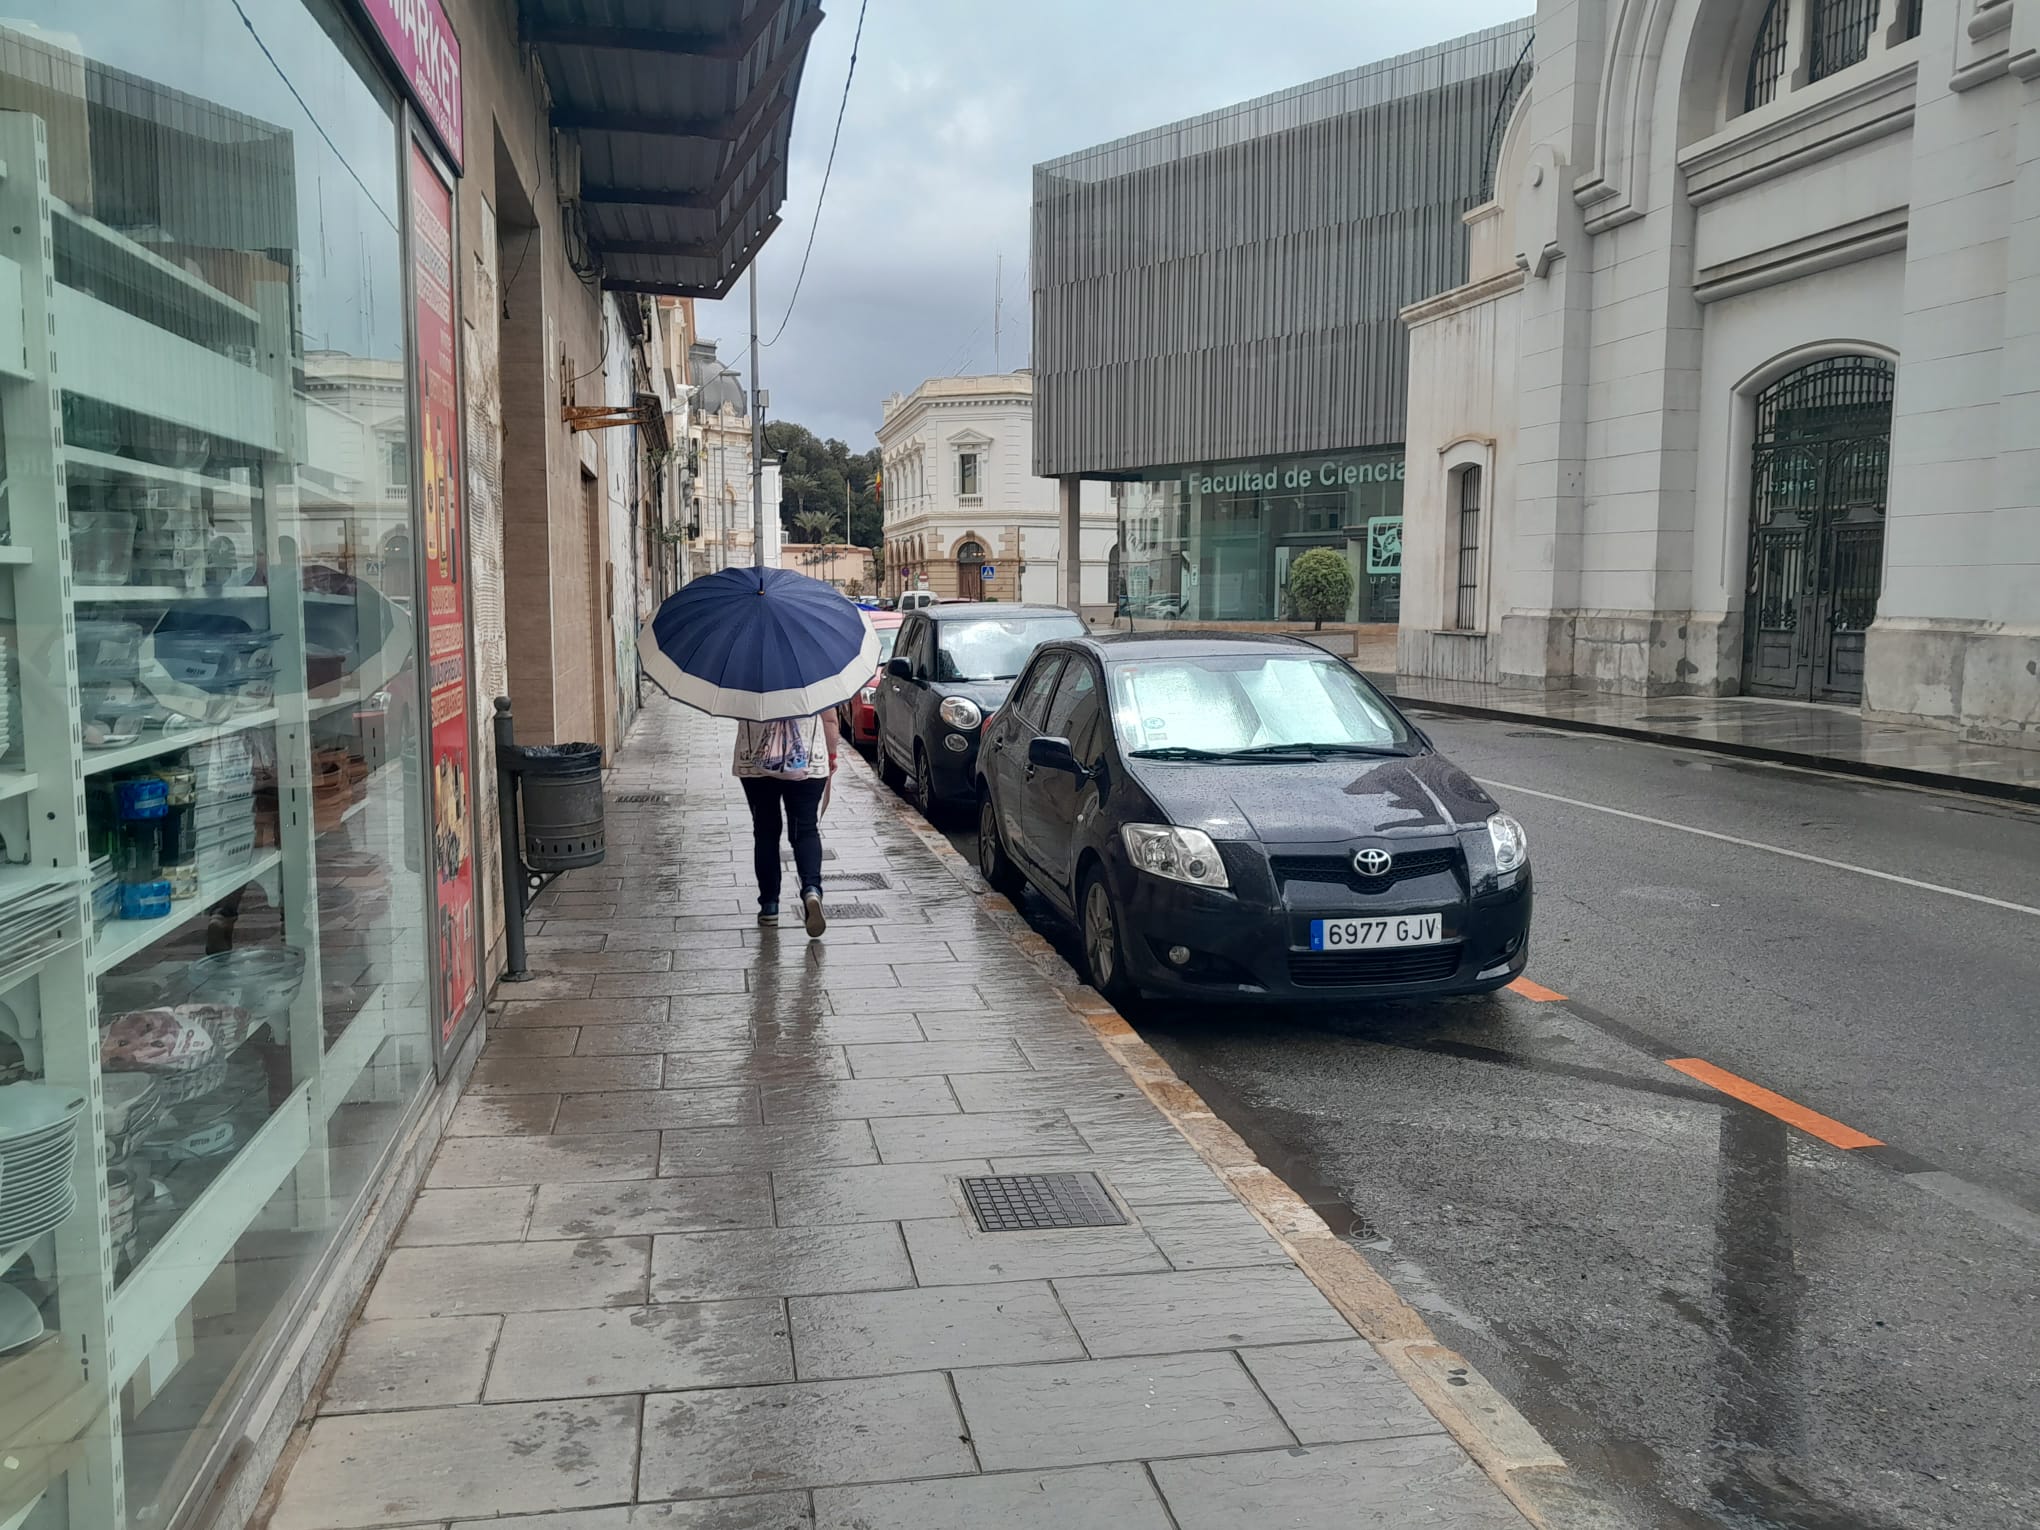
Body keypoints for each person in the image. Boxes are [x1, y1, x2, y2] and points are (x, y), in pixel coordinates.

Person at [733, 708, 839, 936]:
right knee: (806, 830)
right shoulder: (812, 672)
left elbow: (736, 708)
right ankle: (811, 889)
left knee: (765, 832)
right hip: (809, 760)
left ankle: (769, 906)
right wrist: (831, 755)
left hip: (755, 762)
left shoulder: (747, 672)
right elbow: (829, 718)